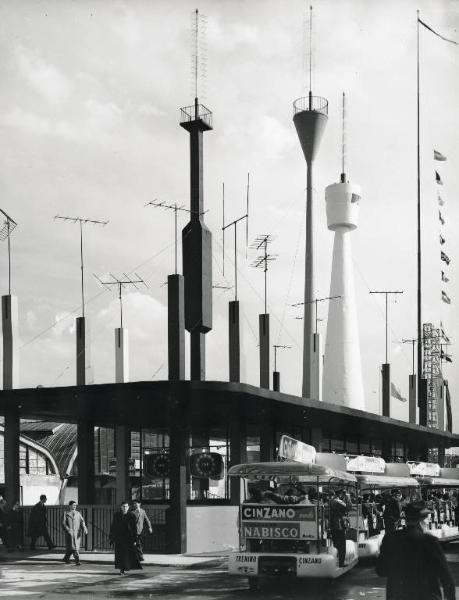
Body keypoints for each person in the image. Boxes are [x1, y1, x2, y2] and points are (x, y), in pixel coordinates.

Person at [376, 500, 455, 600]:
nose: (427, 521)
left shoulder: (390, 539)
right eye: (426, 519)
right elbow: (445, 576)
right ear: (421, 521)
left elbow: (380, 570)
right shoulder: (430, 541)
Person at [109, 501, 142, 575]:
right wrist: (112, 537)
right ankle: (121, 569)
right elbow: (113, 526)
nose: (125, 508)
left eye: (126, 507)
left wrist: (135, 539)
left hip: (128, 538)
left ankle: (126, 567)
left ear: (128, 507)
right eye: (123, 506)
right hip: (119, 538)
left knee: (126, 554)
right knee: (120, 554)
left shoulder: (131, 516)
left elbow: (134, 529)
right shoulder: (117, 515)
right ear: (121, 507)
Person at [329, 489, 351, 568]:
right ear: (340, 494)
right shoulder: (337, 501)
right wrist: (348, 497)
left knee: (336, 544)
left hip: (333, 525)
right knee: (341, 545)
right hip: (339, 525)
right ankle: (341, 563)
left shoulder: (331, 500)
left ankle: (336, 562)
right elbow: (348, 507)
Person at [62, 501, 87, 565]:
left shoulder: (78, 513)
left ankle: (66, 558)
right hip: (70, 533)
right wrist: (68, 530)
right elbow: (63, 523)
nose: (74, 506)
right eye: (73, 505)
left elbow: (82, 522)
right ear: (70, 506)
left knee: (73, 547)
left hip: (77, 533)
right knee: (74, 548)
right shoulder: (66, 513)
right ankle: (77, 561)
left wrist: (84, 528)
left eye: (75, 505)